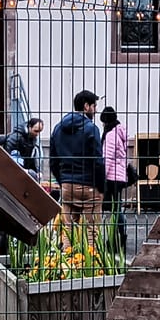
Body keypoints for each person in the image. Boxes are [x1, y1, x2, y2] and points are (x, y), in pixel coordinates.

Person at [48, 89, 104, 236]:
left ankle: (66, 257)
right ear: (87, 106)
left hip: (67, 185)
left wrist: (63, 181)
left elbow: (53, 161)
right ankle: (90, 258)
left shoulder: (58, 128)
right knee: (91, 232)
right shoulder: (92, 129)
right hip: (89, 185)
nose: (96, 110)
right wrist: (101, 186)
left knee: (68, 231)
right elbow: (97, 161)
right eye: (94, 106)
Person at [100, 106, 133, 223]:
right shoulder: (120, 132)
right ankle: (120, 235)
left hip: (111, 177)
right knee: (117, 207)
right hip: (120, 176)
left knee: (114, 208)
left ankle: (118, 236)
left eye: (103, 122)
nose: (102, 125)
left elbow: (107, 158)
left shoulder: (111, 135)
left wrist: (102, 176)